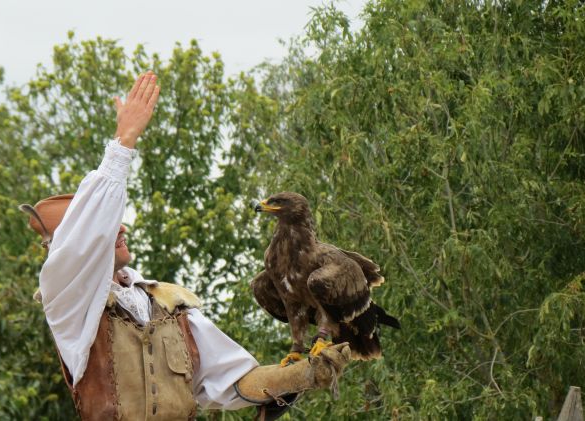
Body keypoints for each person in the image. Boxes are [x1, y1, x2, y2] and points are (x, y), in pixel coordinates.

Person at [21, 71, 352, 421]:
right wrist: (124, 141)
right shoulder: (69, 301)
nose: (119, 227)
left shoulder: (168, 306)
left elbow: (236, 381)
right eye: (104, 225)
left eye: (116, 219)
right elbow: (85, 239)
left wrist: (302, 374)